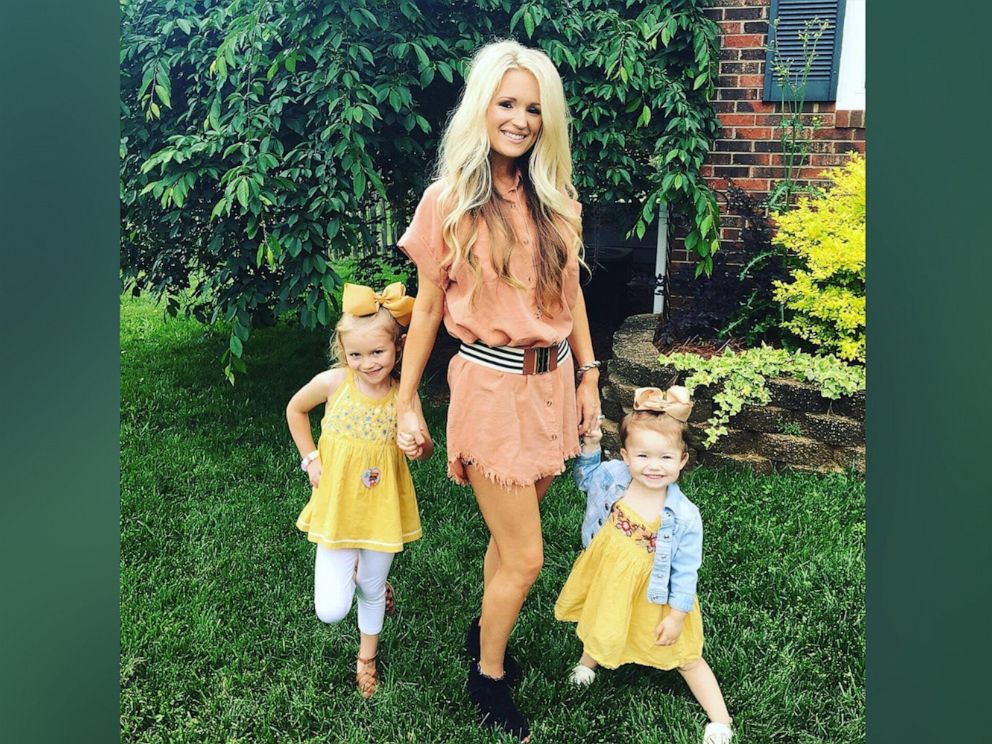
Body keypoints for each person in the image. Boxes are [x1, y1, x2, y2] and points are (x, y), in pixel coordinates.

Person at [395, 39, 602, 741]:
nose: (519, 119)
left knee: (506, 539)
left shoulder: (556, 200)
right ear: (483, 105)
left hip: (554, 390)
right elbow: (427, 308)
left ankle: (485, 626)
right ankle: (487, 675)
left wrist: (592, 376)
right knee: (527, 555)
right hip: (488, 388)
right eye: (507, 103)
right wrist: (405, 397)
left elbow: (570, 300)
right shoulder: (447, 201)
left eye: (534, 109)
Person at [554, 386, 734, 744]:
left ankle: (720, 719)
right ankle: (589, 663)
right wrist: (590, 446)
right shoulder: (615, 478)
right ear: (625, 456)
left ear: (682, 461)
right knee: (605, 616)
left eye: (666, 458)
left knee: (685, 655)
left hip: (658, 593)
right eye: (643, 456)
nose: (654, 466)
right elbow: (586, 481)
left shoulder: (684, 516)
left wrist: (677, 616)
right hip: (613, 577)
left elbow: (685, 572)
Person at [286, 283, 433, 699]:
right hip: (338, 508)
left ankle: (366, 655)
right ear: (343, 353)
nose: (367, 363)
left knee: (369, 587)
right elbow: (295, 409)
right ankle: (369, 582)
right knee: (331, 611)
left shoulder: (404, 397)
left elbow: (425, 450)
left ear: (398, 348)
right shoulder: (335, 384)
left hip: (382, 509)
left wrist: (418, 444)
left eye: (377, 353)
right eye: (356, 354)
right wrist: (310, 458)